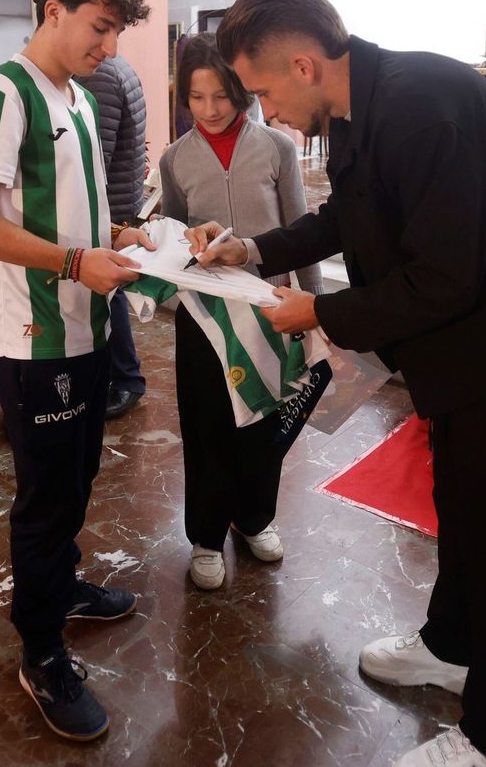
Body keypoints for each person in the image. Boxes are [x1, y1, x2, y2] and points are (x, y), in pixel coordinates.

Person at [189, 0, 486, 767]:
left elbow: (445, 278)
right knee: (463, 504)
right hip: (475, 345)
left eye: (264, 93)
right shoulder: (360, 106)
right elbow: (349, 217)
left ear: (305, 66)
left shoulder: (421, 109)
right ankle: (451, 648)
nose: (266, 112)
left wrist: (319, 312)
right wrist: (256, 249)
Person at [0, 0, 154, 743]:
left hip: (86, 321)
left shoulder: (78, 97)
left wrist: (121, 237)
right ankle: (40, 650)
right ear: (53, 10)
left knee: (78, 472)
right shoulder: (1, 95)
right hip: (34, 335)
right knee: (47, 493)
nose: (109, 46)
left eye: (116, 32)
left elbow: (66, 206)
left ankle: (61, 587)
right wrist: (72, 263)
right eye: (100, 27)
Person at [159, 35, 323, 591]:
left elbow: (302, 233)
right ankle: (206, 536)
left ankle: (254, 518)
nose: (209, 109)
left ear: (241, 91)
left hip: (271, 312)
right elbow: (175, 236)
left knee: (264, 423)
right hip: (206, 319)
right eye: (196, 97)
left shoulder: (276, 148)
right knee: (207, 425)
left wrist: (314, 305)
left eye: (221, 96)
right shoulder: (175, 158)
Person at [74, 52, 149, 419]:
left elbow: (94, 160)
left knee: (109, 289)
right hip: (118, 198)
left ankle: (125, 378)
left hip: (108, 203)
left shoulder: (100, 77)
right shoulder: (115, 68)